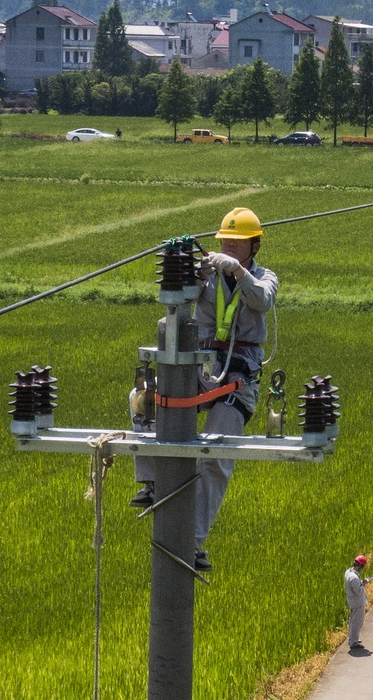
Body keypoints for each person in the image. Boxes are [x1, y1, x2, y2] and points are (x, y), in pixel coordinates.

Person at [131, 206, 278, 573]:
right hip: (199, 368)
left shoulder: (264, 277)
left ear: (254, 247)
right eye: (226, 241)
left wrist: (238, 273)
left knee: (216, 454)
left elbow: (262, 299)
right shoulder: (208, 277)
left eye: (238, 242)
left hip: (236, 378)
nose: (229, 246)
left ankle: (191, 541)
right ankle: (151, 481)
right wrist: (189, 267)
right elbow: (177, 299)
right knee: (144, 399)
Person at [345, 555, 369, 651]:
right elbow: (358, 591)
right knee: (357, 622)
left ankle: (352, 638)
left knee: (353, 620)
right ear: (360, 566)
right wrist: (364, 583)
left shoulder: (348, 572)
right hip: (357, 602)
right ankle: (353, 642)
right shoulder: (354, 578)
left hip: (352, 601)